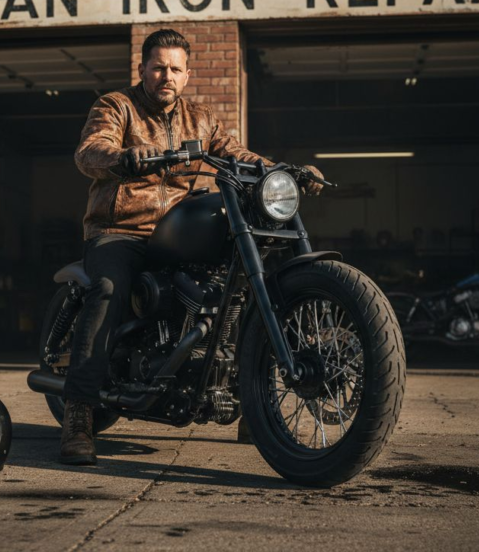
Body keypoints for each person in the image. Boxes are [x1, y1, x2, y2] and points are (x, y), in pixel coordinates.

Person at [59, 29, 325, 465]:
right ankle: (79, 414)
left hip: (176, 233)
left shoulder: (202, 118)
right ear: (143, 68)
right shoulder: (116, 106)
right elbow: (90, 150)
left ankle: (251, 403)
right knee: (107, 288)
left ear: (187, 75)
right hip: (122, 228)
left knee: (235, 286)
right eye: (159, 67)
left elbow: (238, 155)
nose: (167, 75)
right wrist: (119, 158)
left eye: (175, 69)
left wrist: (285, 171)